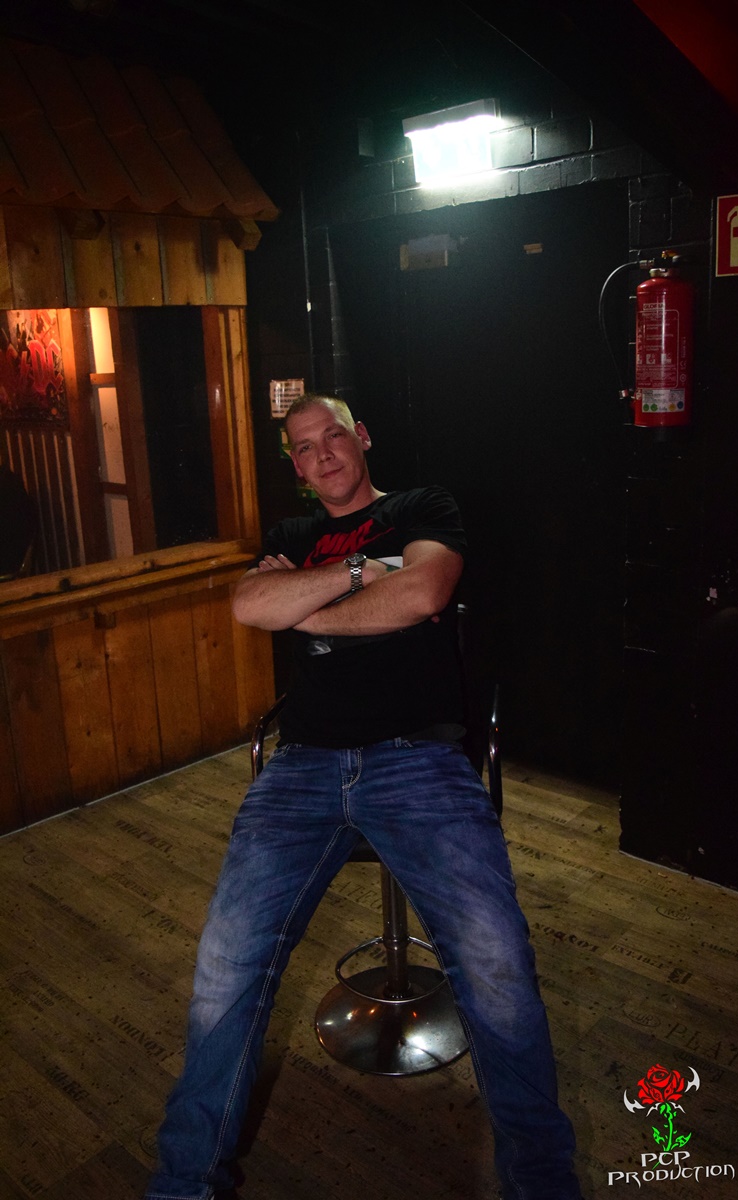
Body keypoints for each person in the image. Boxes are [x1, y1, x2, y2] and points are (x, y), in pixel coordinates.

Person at [144, 394, 581, 1200]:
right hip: (302, 765)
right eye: (304, 449)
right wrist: (358, 574)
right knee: (225, 965)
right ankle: (184, 1186)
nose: (323, 456)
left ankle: (542, 1185)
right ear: (297, 468)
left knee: (496, 961)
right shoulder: (291, 533)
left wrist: (308, 610)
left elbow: (422, 595)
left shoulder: (421, 507)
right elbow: (249, 605)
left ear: (362, 437)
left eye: (333, 436)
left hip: (417, 757)